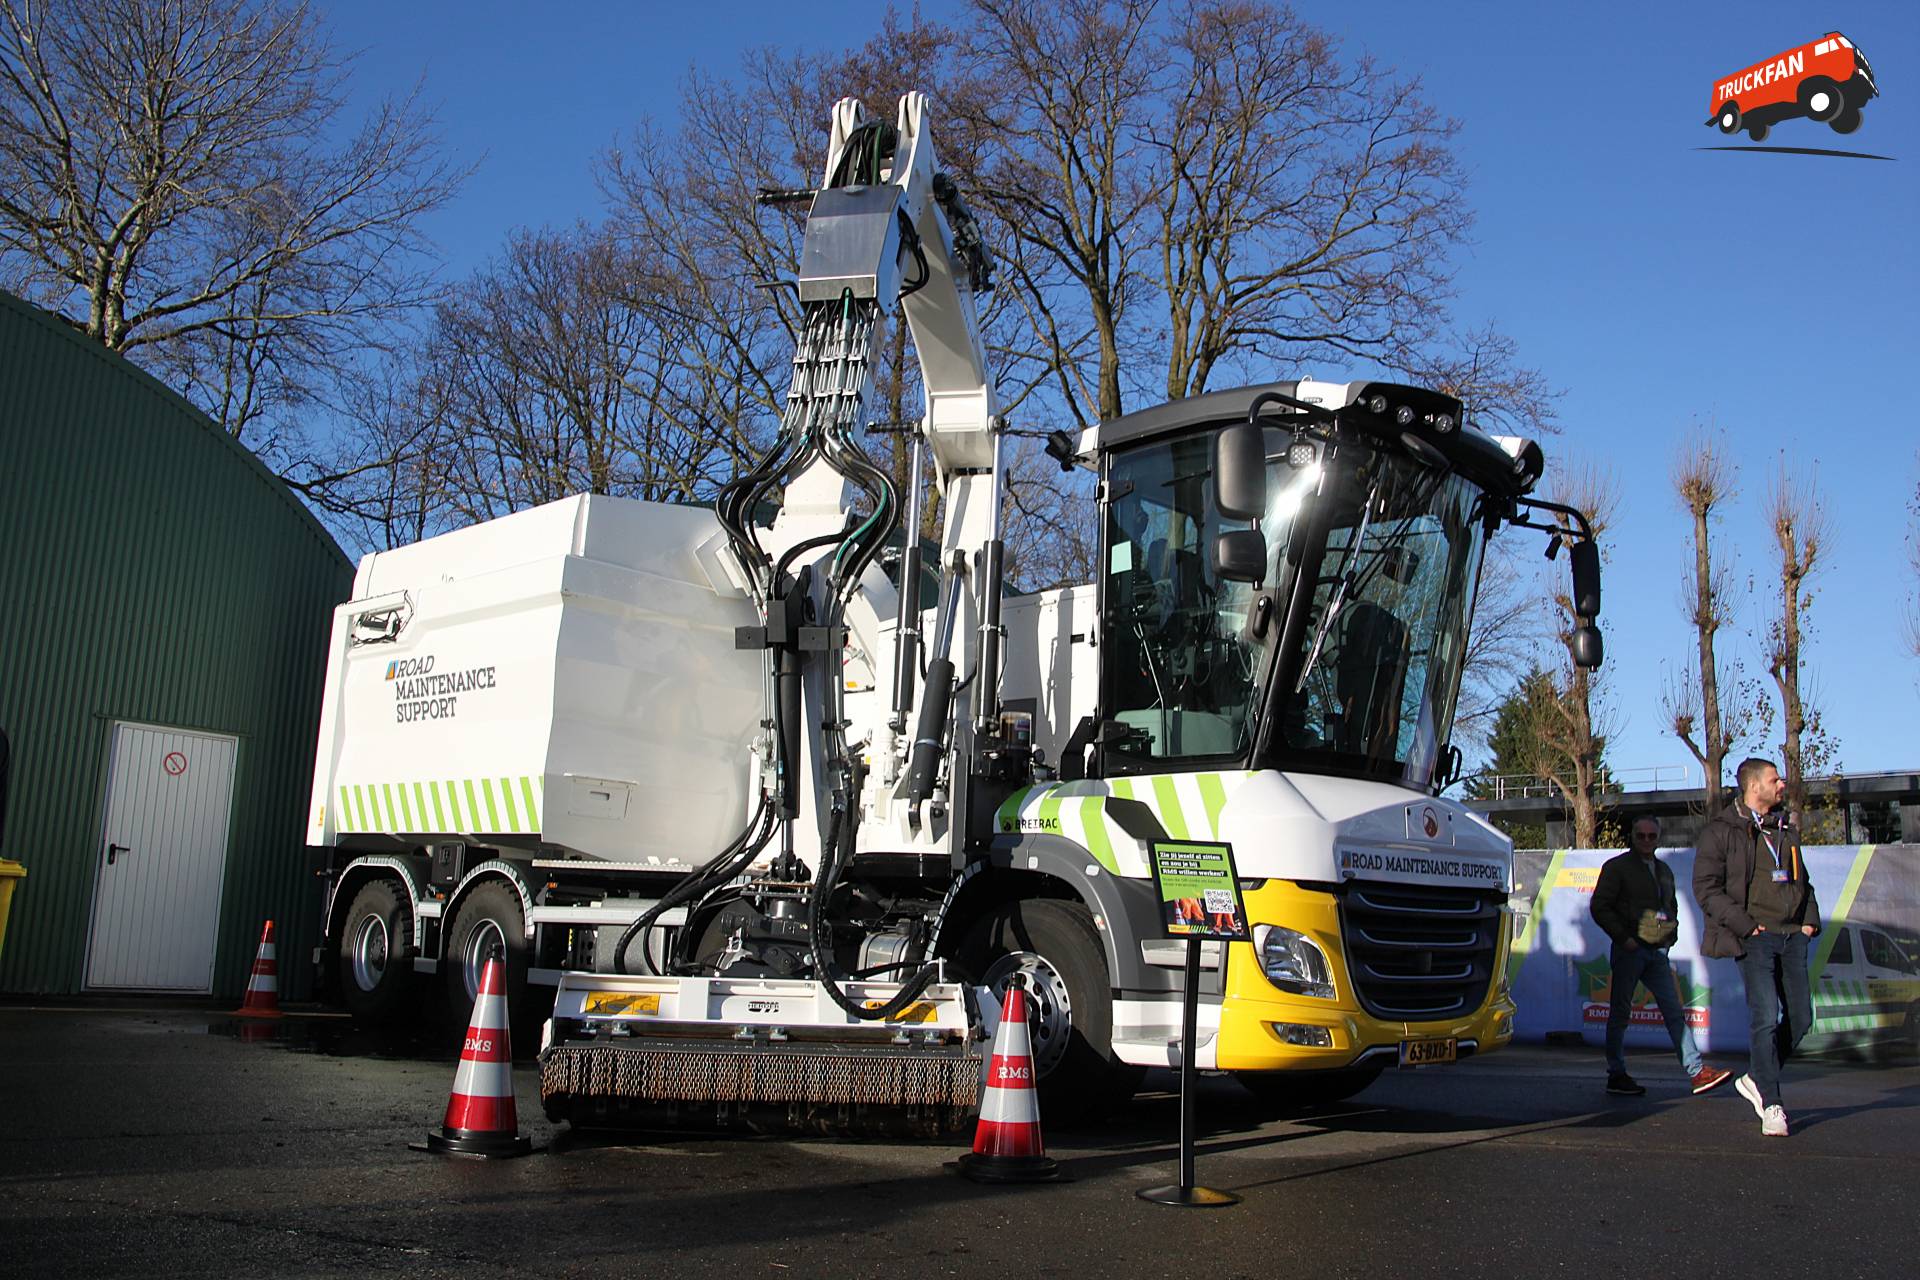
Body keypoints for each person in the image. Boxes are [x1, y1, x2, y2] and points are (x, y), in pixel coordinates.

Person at [1693, 757, 1821, 1138]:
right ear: (1753, 786)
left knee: (1801, 1018)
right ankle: (1771, 1102)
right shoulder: (1721, 831)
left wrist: (1808, 922)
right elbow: (1706, 888)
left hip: (1792, 936)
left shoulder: (1784, 828)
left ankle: (1755, 1078)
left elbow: (1803, 881)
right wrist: (1746, 926)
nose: (1781, 785)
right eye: (1774, 779)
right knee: (1765, 1016)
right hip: (1754, 937)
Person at [1589, 817, 1732, 1098]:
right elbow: (1600, 907)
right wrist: (1625, 939)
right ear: (1632, 836)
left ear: (1658, 838)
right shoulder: (1617, 867)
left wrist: (1669, 937)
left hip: (1656, 953)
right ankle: (1616, 1073)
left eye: (1651, 836)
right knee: (1620, 1013)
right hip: (1629, 951)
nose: (1646, 840)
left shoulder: (1663, 870)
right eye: (1640, 835)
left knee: (1673, 1012)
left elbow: (1670, 906)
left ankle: (1696, 1071)